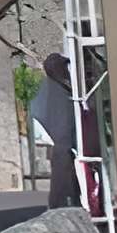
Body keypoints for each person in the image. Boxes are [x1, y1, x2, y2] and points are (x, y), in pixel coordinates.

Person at [35, 52, 81, 207]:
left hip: (64, 148)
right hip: (64, 148)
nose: (66, 70)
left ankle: (66, 206)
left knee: (66, 184)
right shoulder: (56, 92)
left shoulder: (56, 89)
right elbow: (59, 122)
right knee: (63, 185)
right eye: (63, 67)